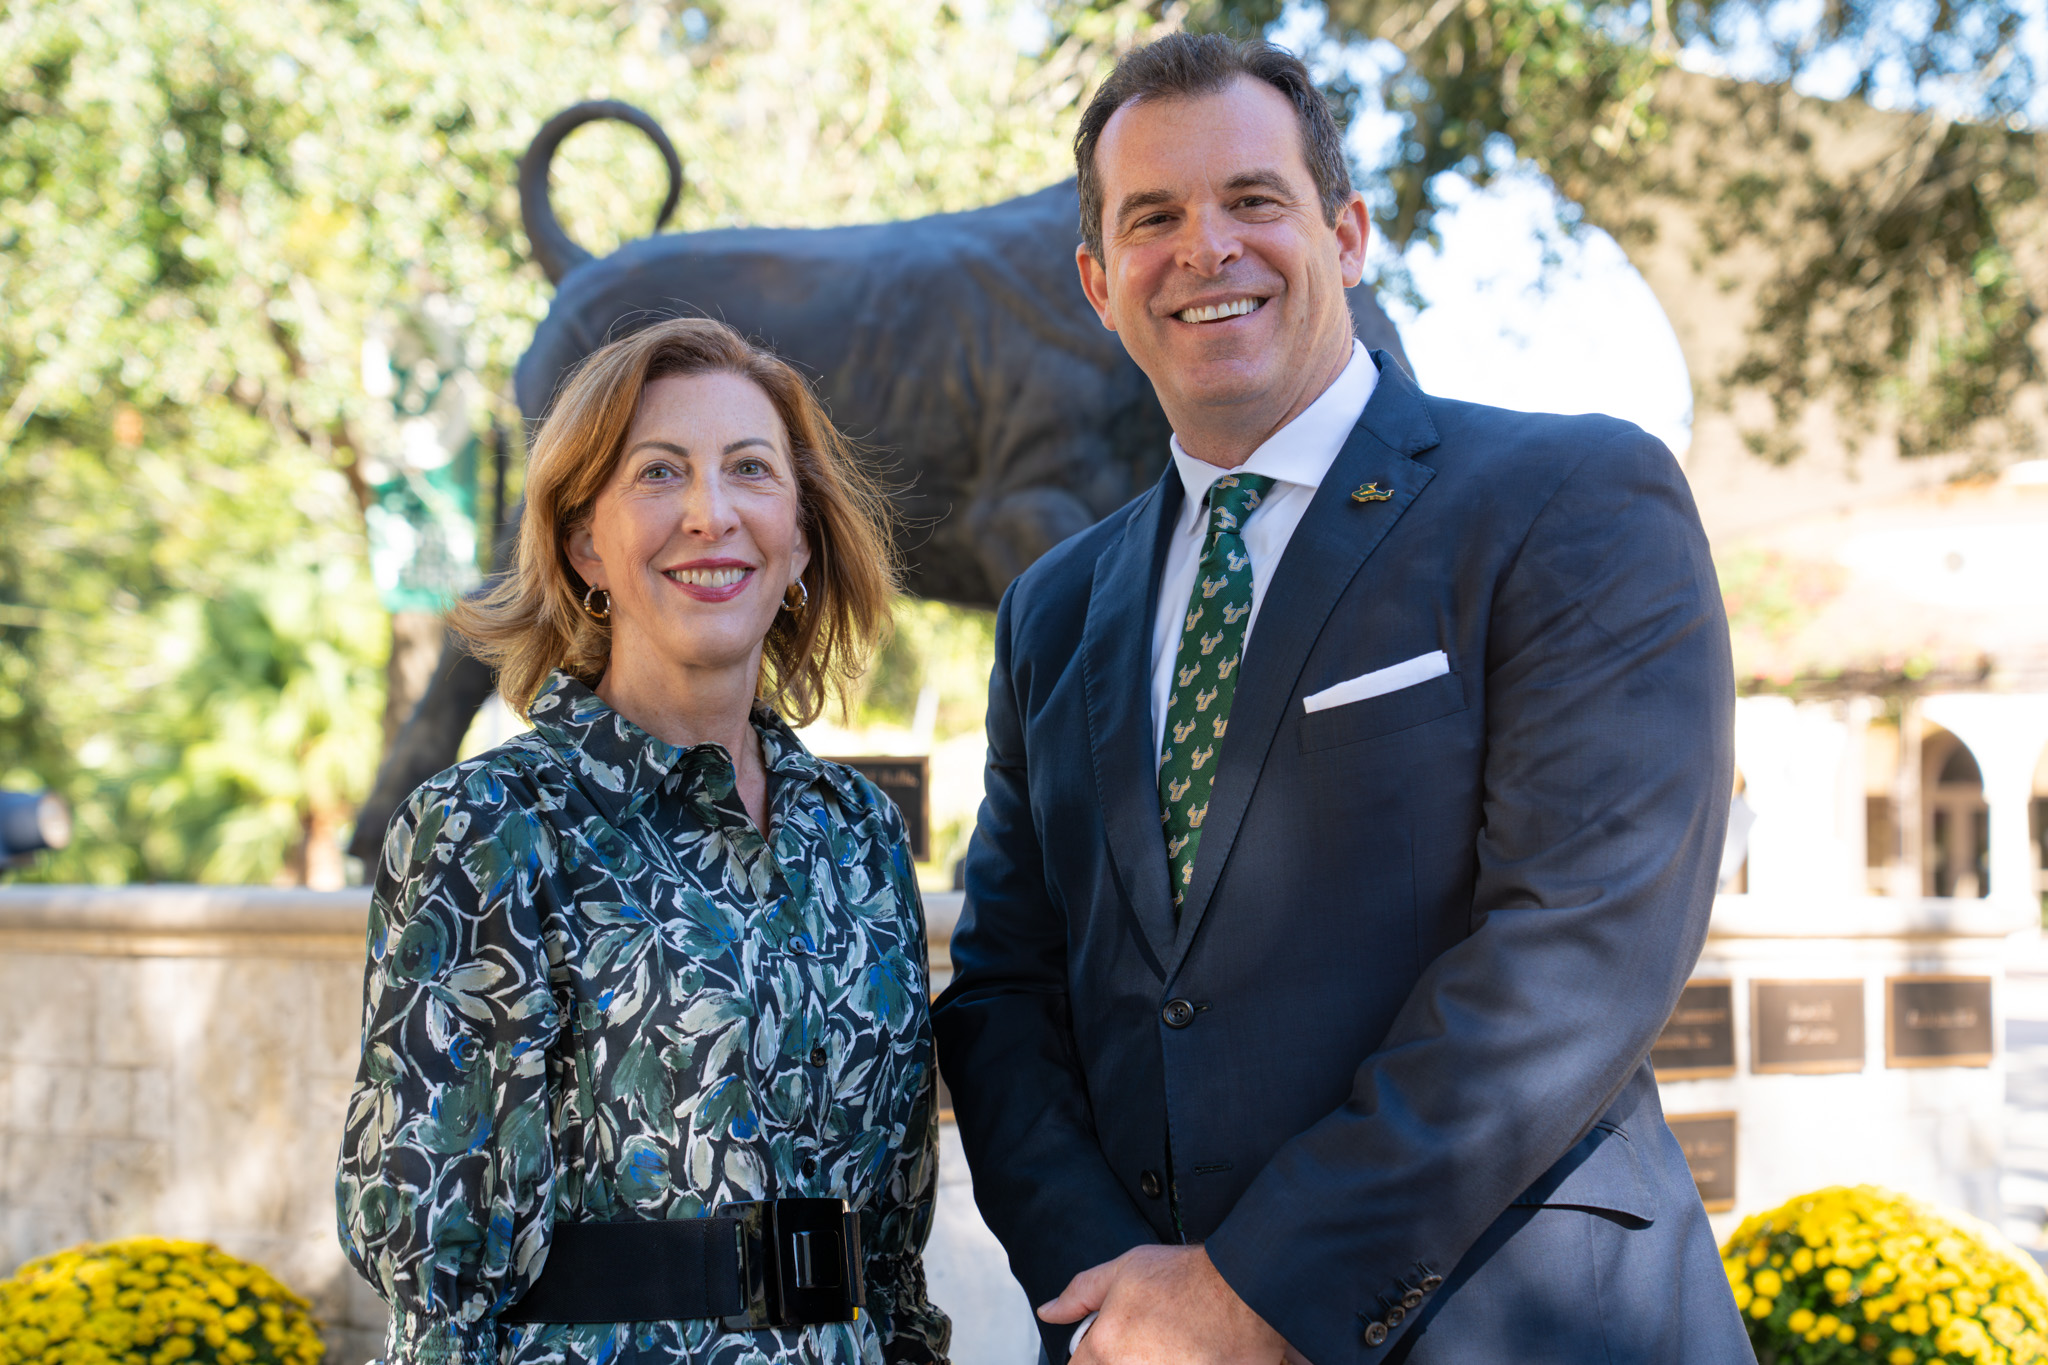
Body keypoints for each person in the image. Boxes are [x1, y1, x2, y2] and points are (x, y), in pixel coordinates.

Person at [932, 33, 1751, 1365]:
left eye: (1255, 200)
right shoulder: (1053, 609)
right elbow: (1005, 991)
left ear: (1349, 233)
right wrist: (1117, 1297)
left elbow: (1577, 946)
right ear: (1097, 282)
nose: (1207, 248)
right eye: (1155, 218)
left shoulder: (1572, 500)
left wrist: (1253, 1293)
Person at [337, 317, 950, 1365]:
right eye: (659, 473)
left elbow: (889, 1253)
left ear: (799, 537)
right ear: (585, 544)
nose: (709, 514)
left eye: (749, 471)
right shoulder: (491, 827)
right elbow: (433, 1262)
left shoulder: (854, 837)